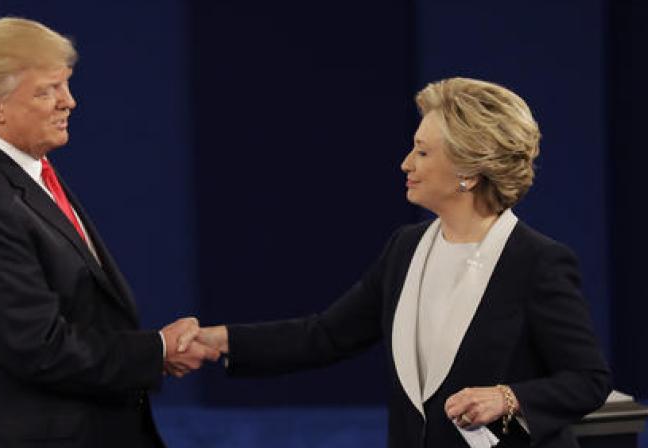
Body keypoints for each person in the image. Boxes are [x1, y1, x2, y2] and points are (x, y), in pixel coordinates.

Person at [188, 78, 611, 447]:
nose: (406, 164)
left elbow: (588, 380)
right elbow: (326, 335)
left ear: (468, 170)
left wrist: (508, 398)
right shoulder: (405, 249)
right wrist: (220, 340)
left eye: (423, 153)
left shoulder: (537, 262)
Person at [0, 17, 217, 448]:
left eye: (65, 85)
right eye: (47, 91)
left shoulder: (21, 171)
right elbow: (40, 350)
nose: (70, 102)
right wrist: (157, 350)